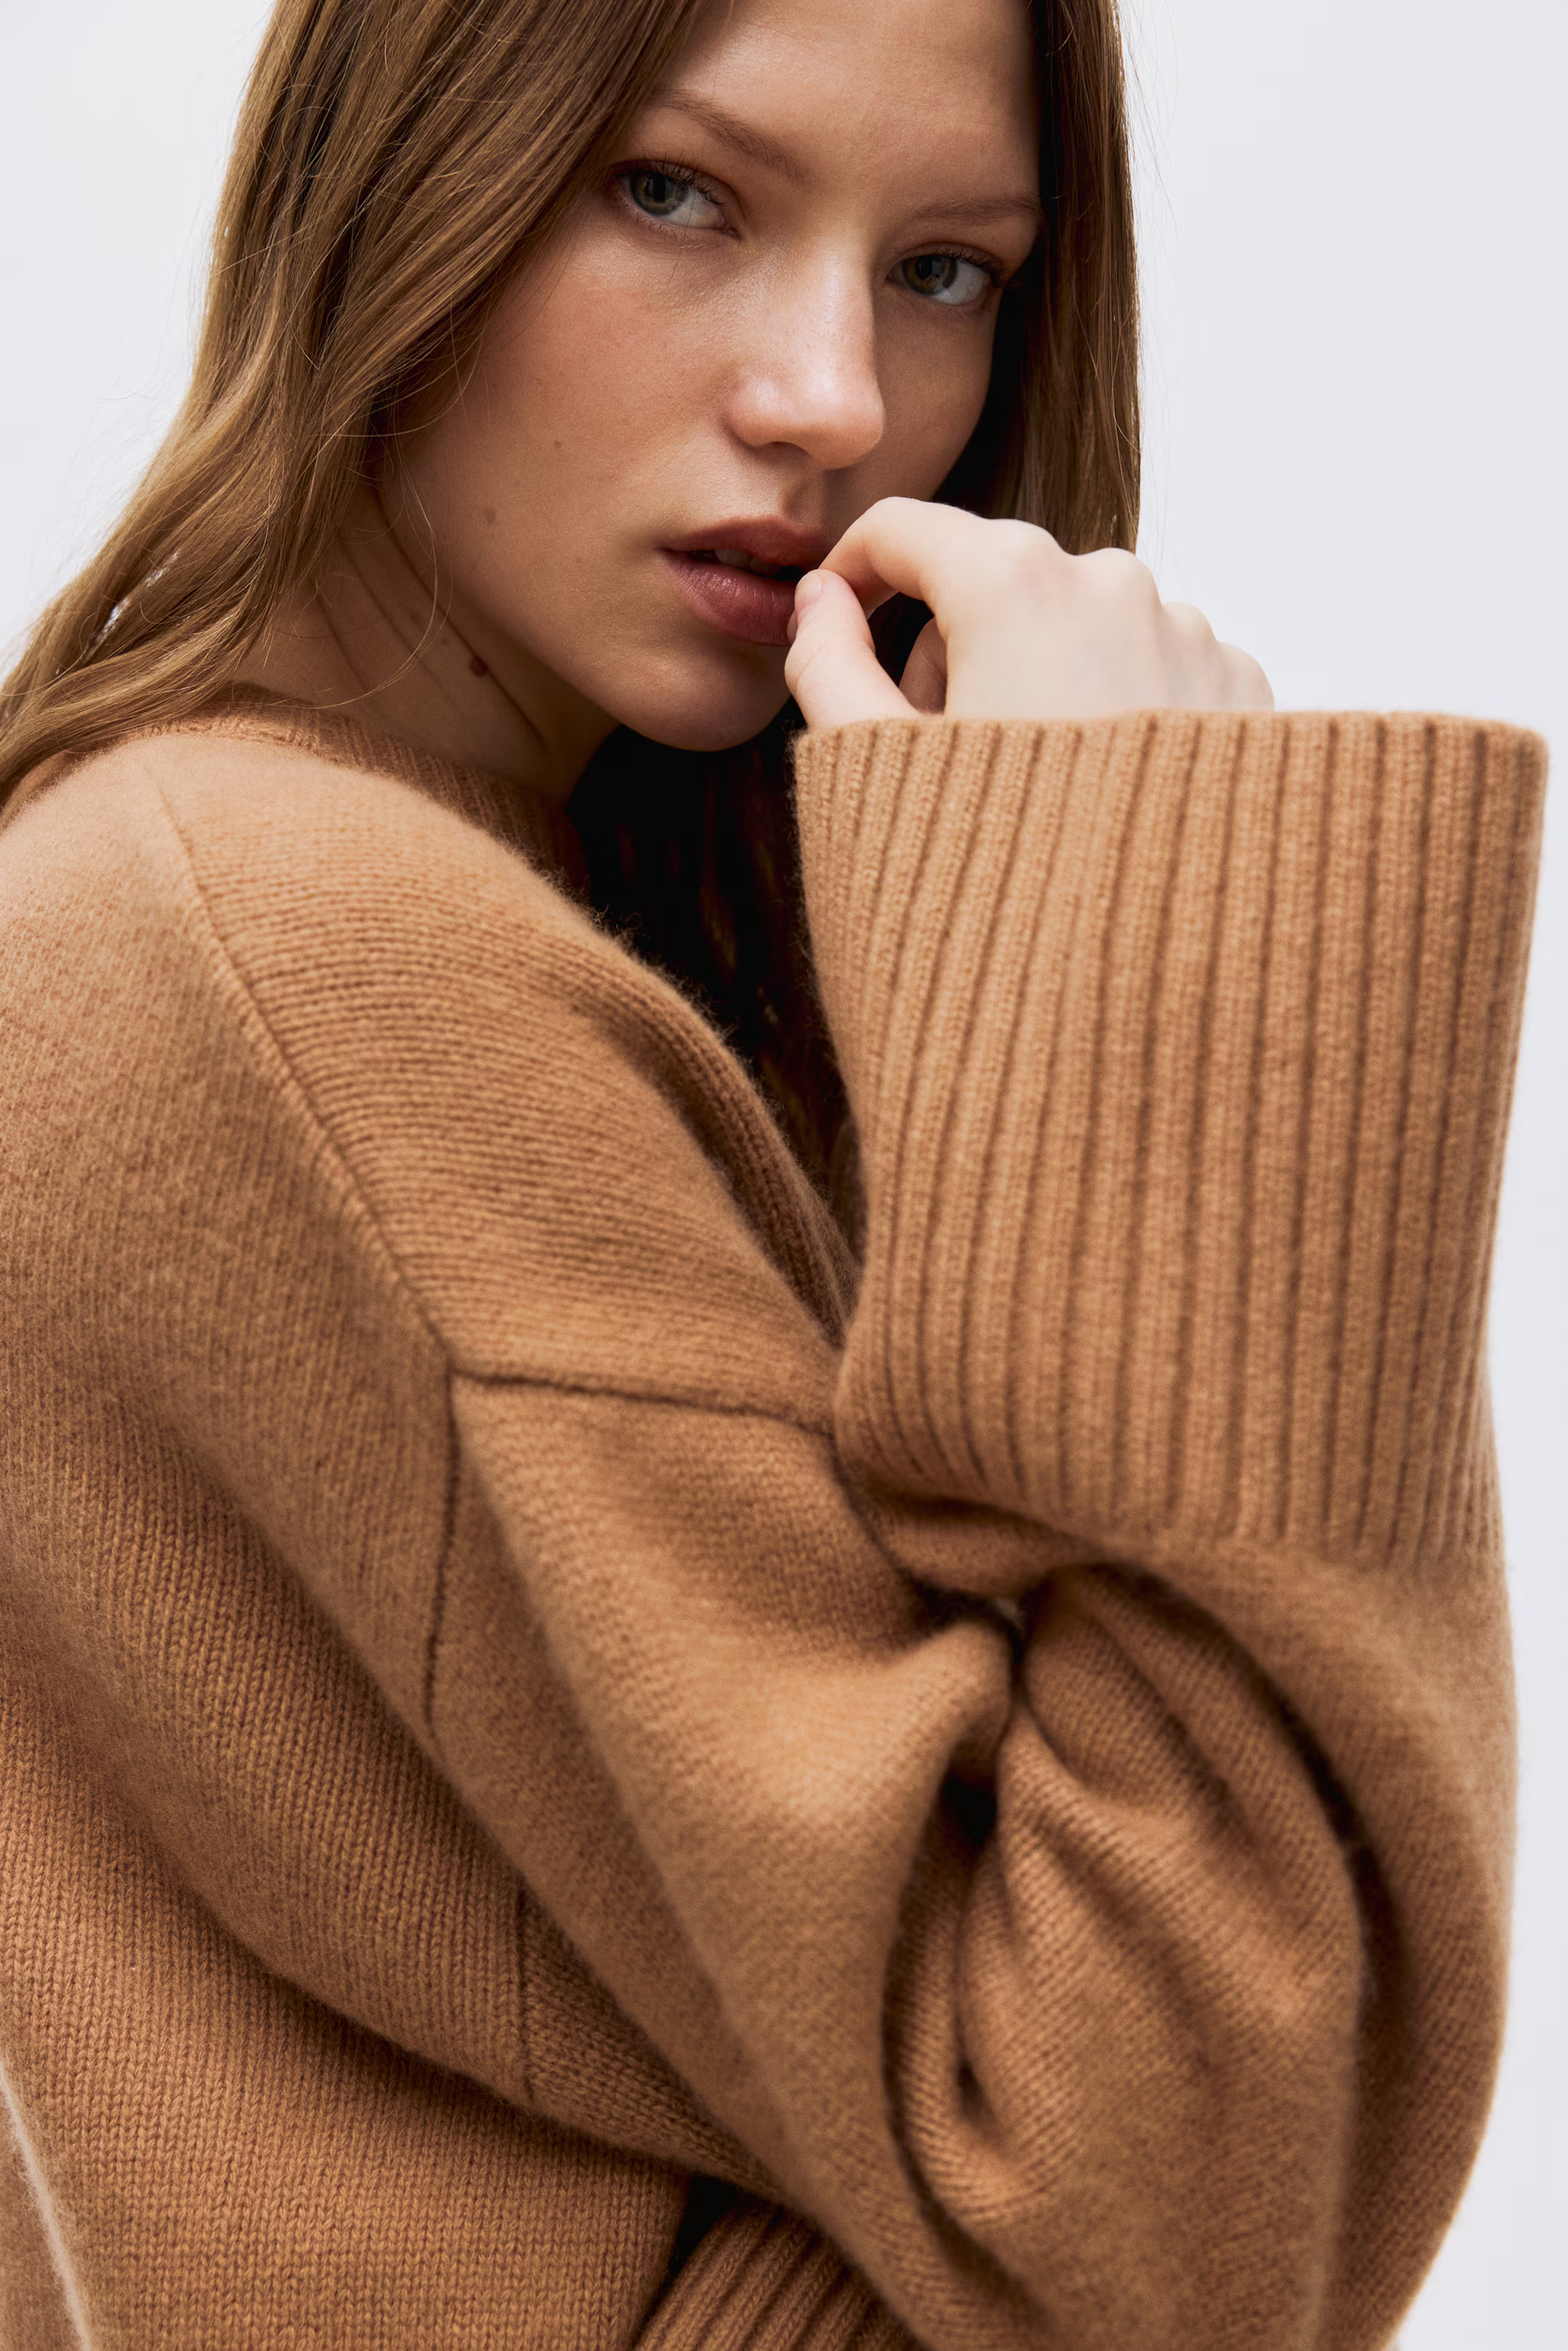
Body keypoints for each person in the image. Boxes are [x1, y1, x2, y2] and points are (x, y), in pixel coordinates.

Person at [0, 0, 1545, 2344]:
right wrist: (1181, 931)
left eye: (946, 269)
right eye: (676, 193)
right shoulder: (300, 952)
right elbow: (1172, 2219)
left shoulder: (208, 883)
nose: (834, 399)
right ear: (393, 175)